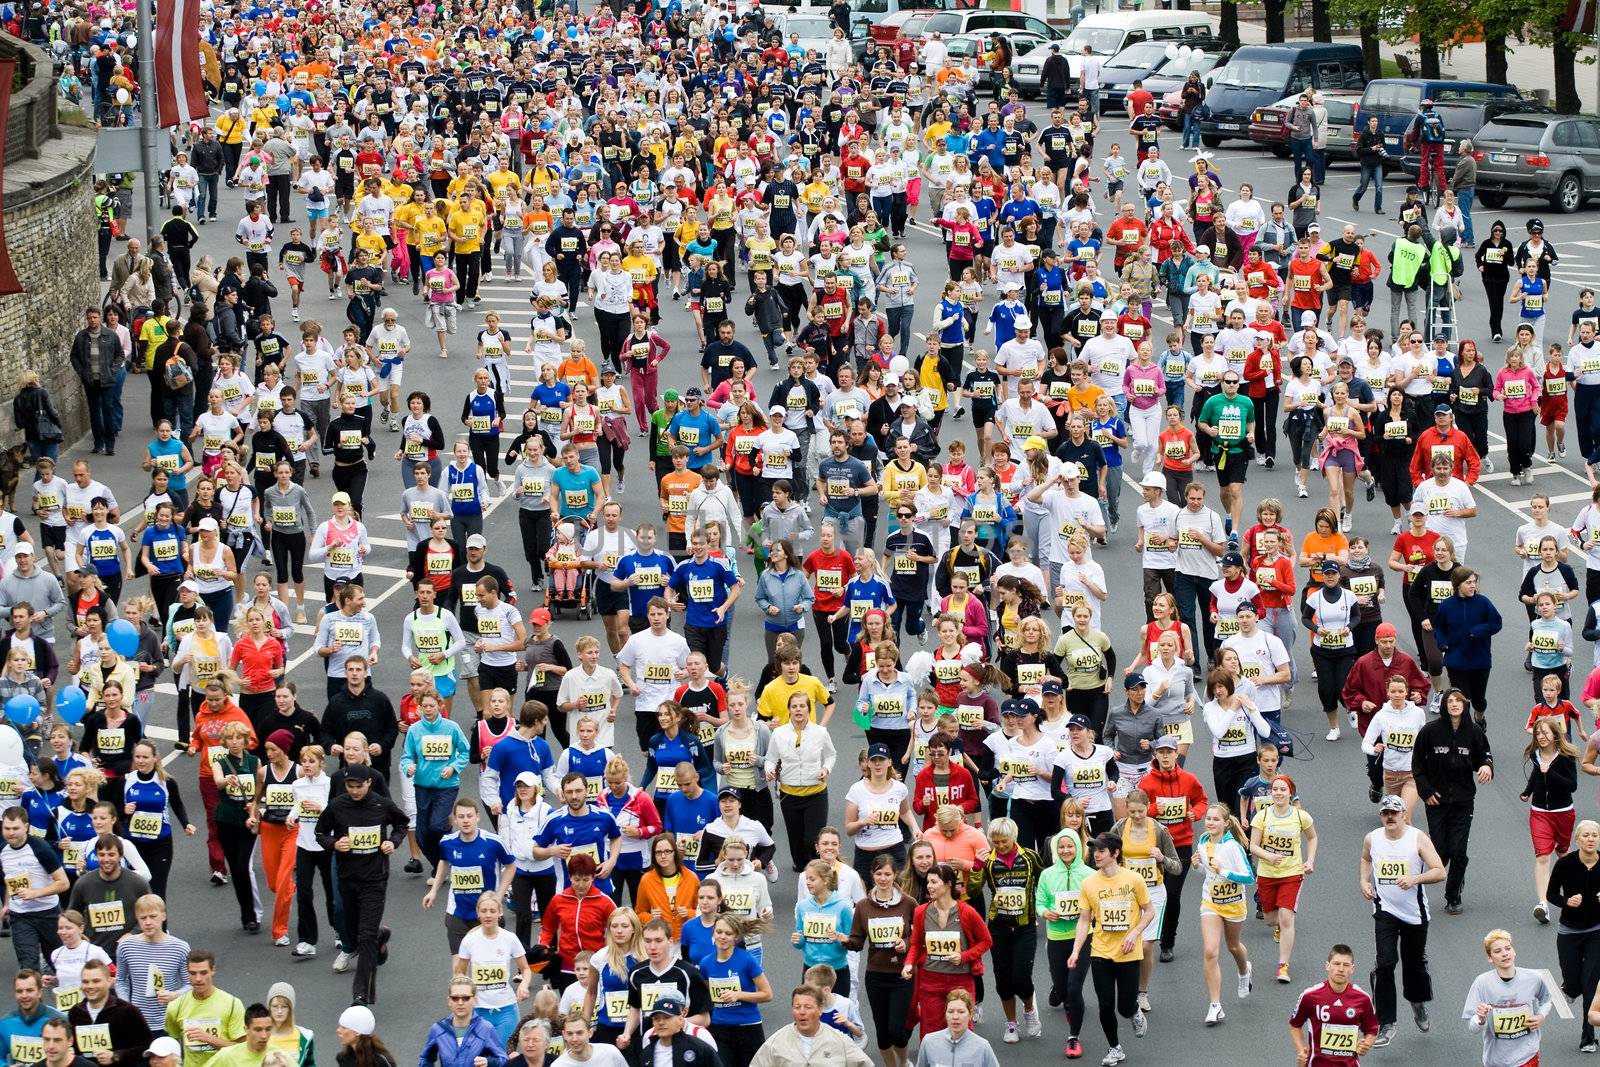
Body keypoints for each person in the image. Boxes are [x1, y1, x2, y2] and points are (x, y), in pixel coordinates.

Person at [312, 765, 407, 1006]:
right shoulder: (337, 806)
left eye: (359, 786)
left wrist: (392, 842)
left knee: (365, 939)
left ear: (369, 784)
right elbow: (320, 832)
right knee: (355, 931)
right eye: (350, 787)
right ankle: (380, 935)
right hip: (348, 877)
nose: (354, 791)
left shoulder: (381, 804)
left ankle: (361, 994)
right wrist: (334, 844)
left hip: (375, 878)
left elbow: (402, 824)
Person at [1360, 795, 1445, 1047]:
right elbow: (1366, 859)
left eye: (1394, 813)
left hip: (1414, 914)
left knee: (1414, 965)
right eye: (1385, 813)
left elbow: (1439, 871)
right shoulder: (1372, 838)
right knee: (1385, 963)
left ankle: (1417, 1003)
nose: (1389, 817)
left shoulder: (1417, 838)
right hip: (1385, 910)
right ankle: (1387, 1023)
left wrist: (1414, 879)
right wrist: (1364, 881)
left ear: (1404, 815)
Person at [1461, 930, 1551, 1067]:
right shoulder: (1482, 983)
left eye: (1508, 948)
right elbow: (1473, 1028)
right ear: (1489, 957)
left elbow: (1547, 1000)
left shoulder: (1533, 978)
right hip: (1496, 1059)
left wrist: (1541, 1016)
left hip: (1527, 1055)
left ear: (1514, 951)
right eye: (1497, 951)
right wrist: (1480, 1018)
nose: (1504, 953)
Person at [1548, 819, 1600, 1053]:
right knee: (1573, 978)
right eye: (1586, 835)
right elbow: (1551, 894)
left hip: (1596, 931)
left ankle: (1588, 1037)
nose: (1590, 839)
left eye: (1594, 835)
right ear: (1577, 840)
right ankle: (1570, 987)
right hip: (1569, 930)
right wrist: (1566, 902)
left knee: (1590, 983)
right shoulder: (1566, 864)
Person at [1288, 944, 1379, 1067]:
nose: (1341, 969)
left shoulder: (1363, 999)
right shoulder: (1309, 996)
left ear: (1352, 969)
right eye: (1336, 964)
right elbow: (1295, 1025)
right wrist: (1301, 1051)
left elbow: (1372, 1029)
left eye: (1346, 965)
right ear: (1327, 966)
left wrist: (1366, 1044)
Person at [748, 985, 873, 1067]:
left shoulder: (839, 1040)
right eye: (797, 1007)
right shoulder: (776, 1043)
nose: (802, 1011)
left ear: (820, 1010)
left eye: (808, 1007)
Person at [418, 978, 506, 1067]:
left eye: (466, 998)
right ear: (449, 1001)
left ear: (475, 1000)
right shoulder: (438, 1029)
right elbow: (426, 1058)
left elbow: (503, 1060)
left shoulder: (486, 1028)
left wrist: (489, 1063)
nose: (460, 1002)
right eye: (455, 998)